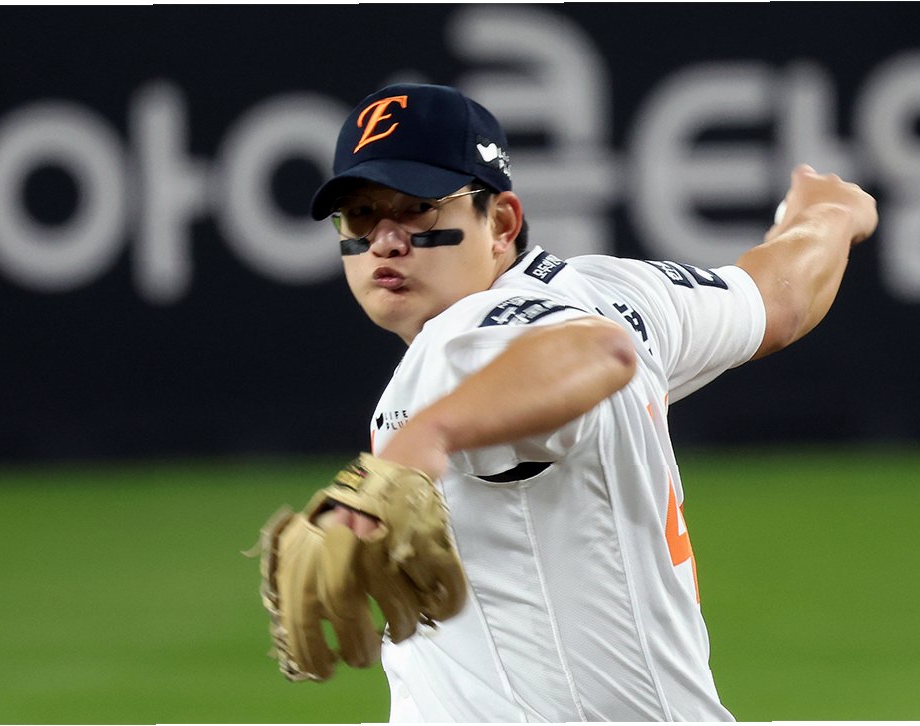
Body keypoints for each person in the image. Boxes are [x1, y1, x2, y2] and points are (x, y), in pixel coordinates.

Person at [260, 82, 878, 722]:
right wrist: (827, 217)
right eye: (361, 215)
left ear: (501, 223)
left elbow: (595, 352)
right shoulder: (617, 291)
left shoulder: (459, 340)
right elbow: (776, 300)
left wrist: (420, 442)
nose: (386, 241)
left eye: (418, 209)